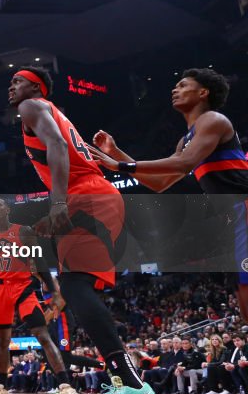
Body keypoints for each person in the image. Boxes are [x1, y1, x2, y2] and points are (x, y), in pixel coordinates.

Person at [9, 67, 160, 394]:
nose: (11, 89)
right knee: (77, 287)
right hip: (95, 194)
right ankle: (128, 383)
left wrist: (60, 204)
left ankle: (133, 387)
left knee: (75, 287)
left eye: (17, 81)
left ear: (36, 86)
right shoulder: (58, 114)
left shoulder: (32, 107)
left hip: (85, 198)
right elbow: (87, 159)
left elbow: (60, 147)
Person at [88, 68, 248, 325]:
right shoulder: (186, 139)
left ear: (203, 92)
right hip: (230, 218)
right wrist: (117, 153)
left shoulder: (212, 119)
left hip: (243, 208)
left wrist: (121, 167)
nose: (175, 89)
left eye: (183, 85)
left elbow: (183, 164)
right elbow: (160, 184)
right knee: (243, 300)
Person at [0, 198, 81, 394]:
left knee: (43, 335)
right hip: (0, 288)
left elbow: (39, 261)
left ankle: (66, 386)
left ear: (7, 210)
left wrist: (54, 290)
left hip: (22, 287)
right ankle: (1, 388)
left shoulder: (23, 231)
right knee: (3, 341)